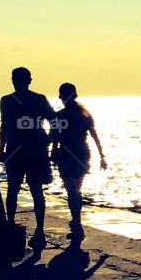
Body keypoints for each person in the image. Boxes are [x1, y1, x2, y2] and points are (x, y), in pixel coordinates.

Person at [0, 67, 56, 249]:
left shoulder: (7, 101)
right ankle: (39, 230)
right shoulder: (39, 99)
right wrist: (50, 141)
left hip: (16, 150)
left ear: (13, 80)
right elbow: (54, 121)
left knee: (13, 189)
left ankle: (11, 223)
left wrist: (1, 148)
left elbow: (5, 126)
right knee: (37, 192)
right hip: (37, 150)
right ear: (30, 80)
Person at [52, 83, 107, 244]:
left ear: (61, 96)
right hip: (82, 153)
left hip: (67, 154)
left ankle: (76, 223)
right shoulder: (84, 114)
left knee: (72, 190)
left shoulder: (59, 116)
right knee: (76, 189)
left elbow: (55, 138)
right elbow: (94, 135)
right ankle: (76, 222)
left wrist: (52, 152)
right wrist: (102, 156)